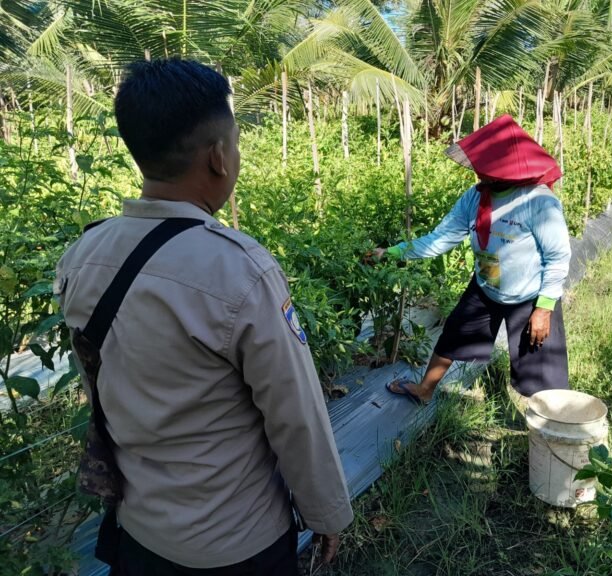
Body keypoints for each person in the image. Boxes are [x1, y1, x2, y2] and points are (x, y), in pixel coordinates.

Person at [54, 59, 352, 575]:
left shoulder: (83, 254)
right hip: (235, 540)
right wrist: (327, 513)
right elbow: (295, 414)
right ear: (218, 157)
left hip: (139, 528)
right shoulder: (239, 270)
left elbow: (99, 387)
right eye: (235, 144)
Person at [377, 114, 571, 406]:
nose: (480, 174)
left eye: (487, 167)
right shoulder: (474, 197)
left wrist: (543, 309)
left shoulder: (538, 201)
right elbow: (440, 238)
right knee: (455, 334)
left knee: (540, 368)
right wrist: (393, 253)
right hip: (486, 286)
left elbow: (557, 257)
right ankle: (424, 390)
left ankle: (548, 428)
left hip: (529, 296)